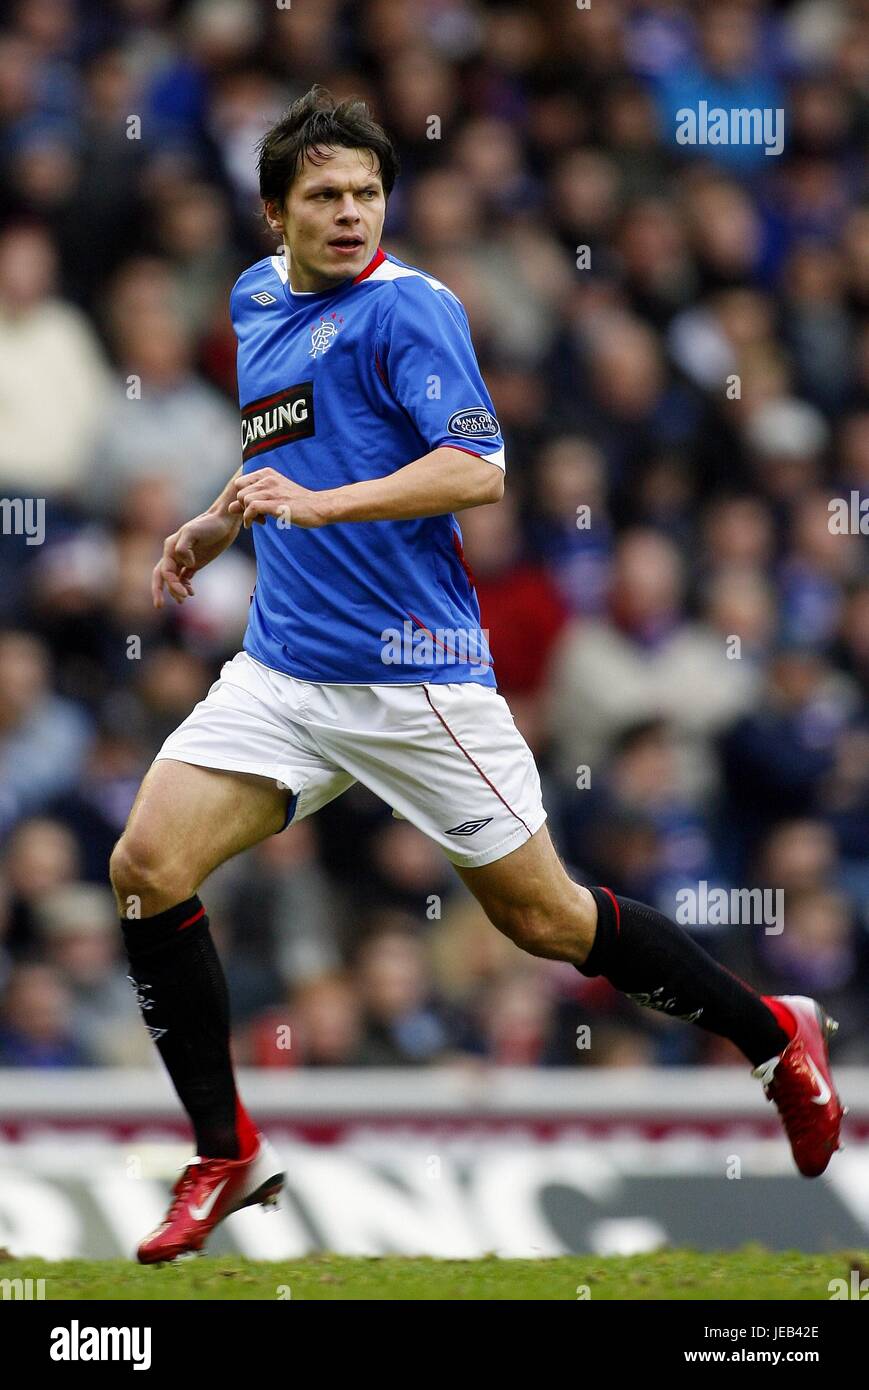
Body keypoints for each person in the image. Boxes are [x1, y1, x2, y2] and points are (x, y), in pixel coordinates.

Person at [109, 87, 844, 1265]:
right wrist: (213, 522)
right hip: (287, 669)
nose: (351, 215)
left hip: (416, 684)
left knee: (546, 921)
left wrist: (325, 504)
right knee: (145, 866)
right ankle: (222, 1147)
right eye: (324, 196)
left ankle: (771, 1032)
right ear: (272, 216)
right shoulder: (253, 300)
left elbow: (478, 468)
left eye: (366, 193)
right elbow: (288, 442)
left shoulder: (413, 312)